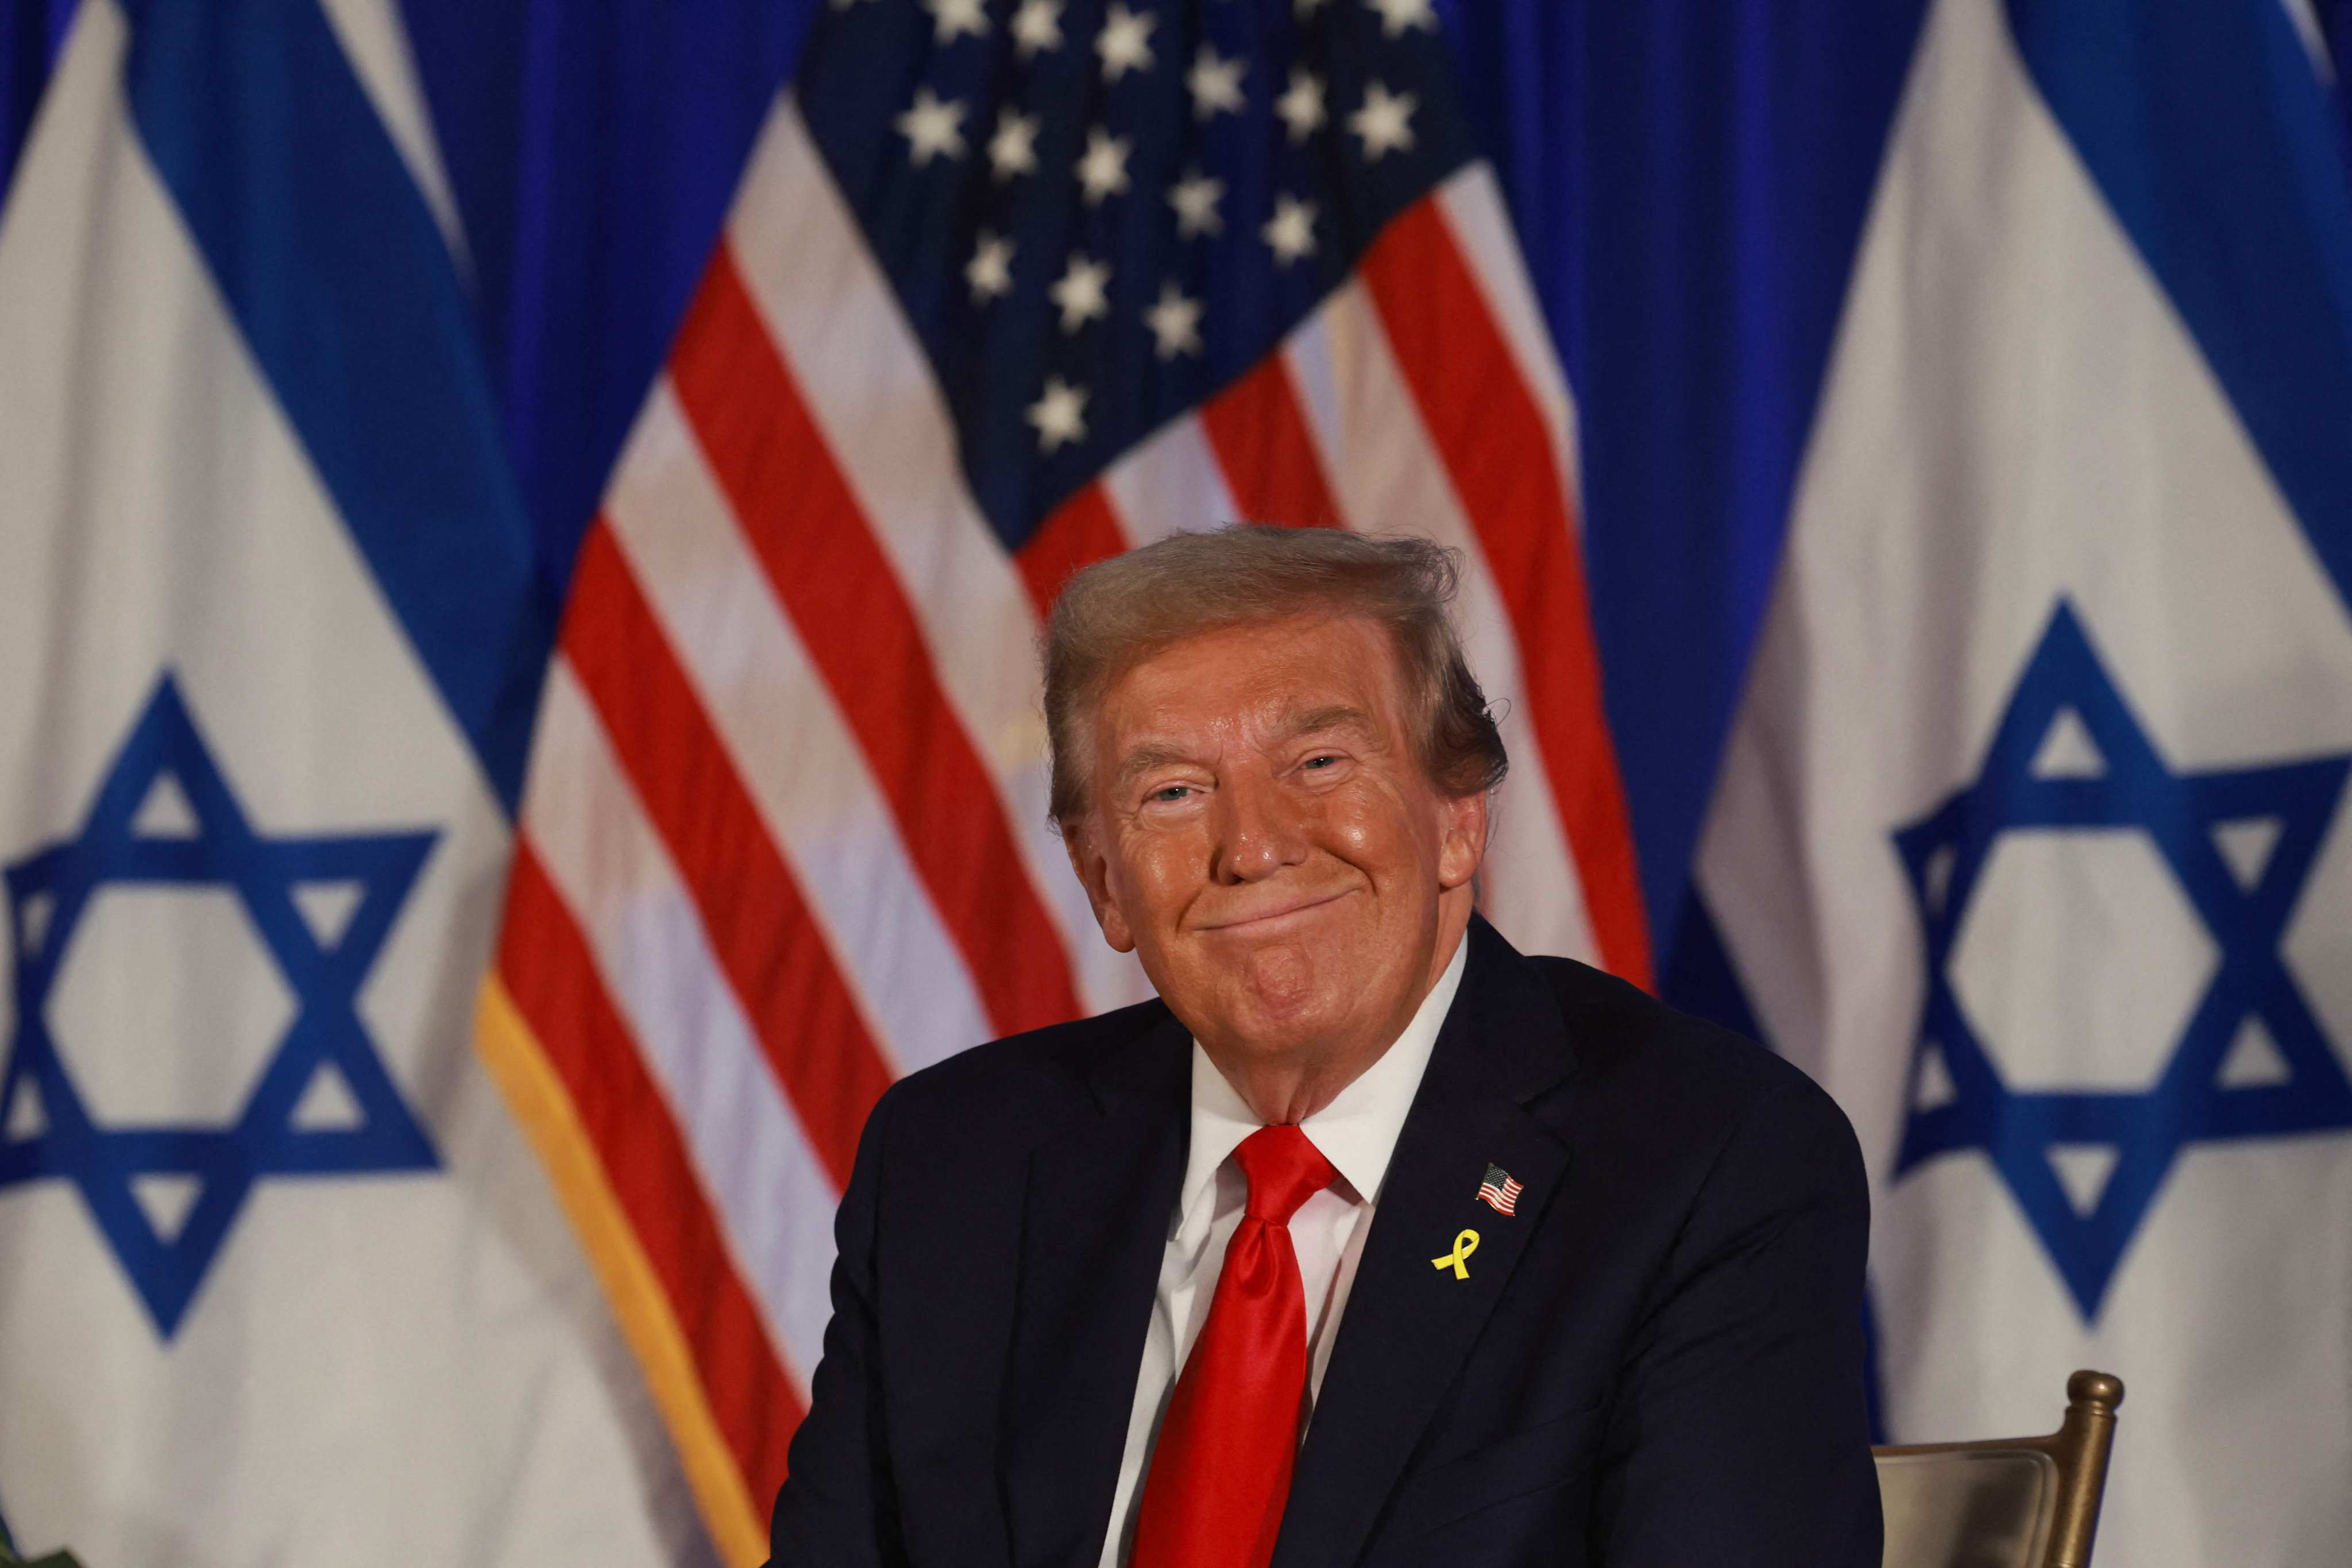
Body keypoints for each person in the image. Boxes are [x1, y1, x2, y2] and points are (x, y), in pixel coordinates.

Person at [767, 526, 1882, 1568]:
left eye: (1316, 765)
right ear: (1103, 878)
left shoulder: (1701, 1162)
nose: (1249, 846)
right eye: (1172, 791)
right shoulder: (955, 1167)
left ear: (1455, 816)